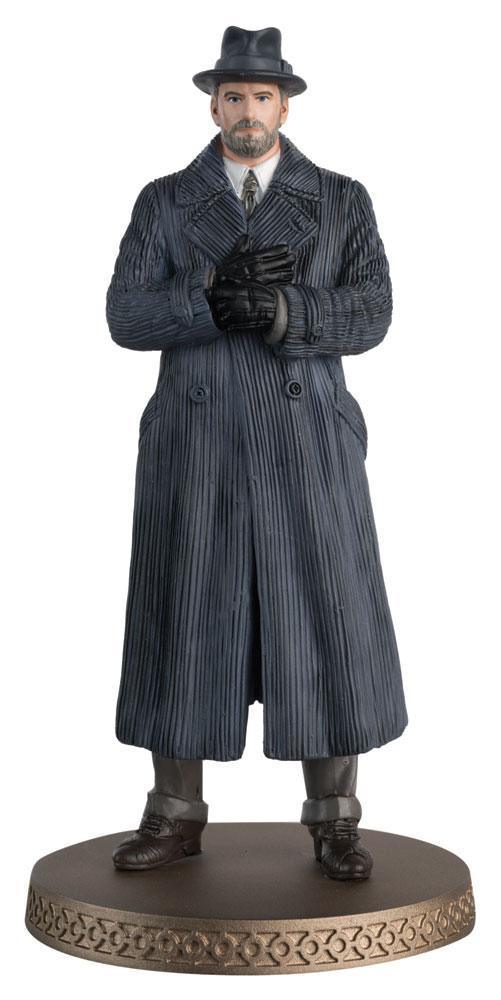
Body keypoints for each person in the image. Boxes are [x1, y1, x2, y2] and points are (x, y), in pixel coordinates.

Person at [106, 26, 408, 880]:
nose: (247, 111)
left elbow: (373, 312)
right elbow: (125, 315)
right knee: (182, 617)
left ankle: (335, 820)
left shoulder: (341, 200)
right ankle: (173, 815)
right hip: (195, 443)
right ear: (213, 106)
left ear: (285, 106)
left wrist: (282, 311)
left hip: (306, 444)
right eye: (233, 96)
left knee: (326, 618)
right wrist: (207, 295)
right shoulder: (165, 202)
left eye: (262, 97)